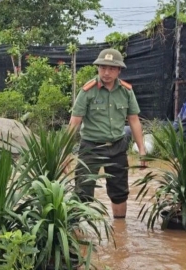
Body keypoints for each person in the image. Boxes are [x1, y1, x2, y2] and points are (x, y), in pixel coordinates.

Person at [68, 48, 146, 219]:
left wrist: (142, 150)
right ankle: (78, 233)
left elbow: (134, 120)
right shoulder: (88, 91)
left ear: (119, 70)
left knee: (120, 192)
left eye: (111, 68)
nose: (106, 72)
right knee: (83, 191)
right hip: (90, 148)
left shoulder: (126, 91)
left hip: (117, 146)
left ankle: (120, 230)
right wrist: (64, 153)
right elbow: (74, 122)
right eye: (103, 68)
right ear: (98, 68)